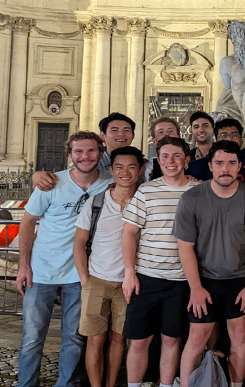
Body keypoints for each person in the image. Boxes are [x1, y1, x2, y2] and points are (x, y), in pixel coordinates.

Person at [16, 132, 112, 387]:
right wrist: (23, 265)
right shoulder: (50, 183)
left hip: (81, 274)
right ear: (69, 155)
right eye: (78, 152)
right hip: (42, 271)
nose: (85, 156)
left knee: (74, 336)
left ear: (100, 153)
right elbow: (27, 223)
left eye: (91, 151)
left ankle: (66, 384)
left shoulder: (109, 184)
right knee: (32, 337)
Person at [173, 141, 245, 387]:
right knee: (197, 337)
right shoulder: (192, 198)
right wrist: (195, 288)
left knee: (240, 336)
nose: (225, 169)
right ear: (210, 166)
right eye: (219, 163)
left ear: (239, 166)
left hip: (240, 279)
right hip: (204, 279)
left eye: (231, 163)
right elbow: (185, 247)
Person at [121, 136, 200, 387]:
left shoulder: (199, 191)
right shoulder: (147, 190)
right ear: (158, 160)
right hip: (147, 277)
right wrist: (129, 273)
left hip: (180, 281)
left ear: (187, 160)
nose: (170, 161)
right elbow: (129, 233)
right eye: (165, 156)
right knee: (139, 340)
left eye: (176, 156)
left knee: (172, 339)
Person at [72, 146, 144, 387]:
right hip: (97, 280)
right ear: (111, 170)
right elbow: (79, 243)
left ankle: (111, 384)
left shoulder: (145, 202)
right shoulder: (96, 202)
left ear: (140, 170)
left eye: (131, 166)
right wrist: (85, 279)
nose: (125, 172)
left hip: (130, 283)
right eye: (119, 167)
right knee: (95, 339)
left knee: (118, 339)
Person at [31, 112, 135, 190]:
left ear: (133, 136)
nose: (121, 134)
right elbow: (70, 177)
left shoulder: (141, 163)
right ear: (102, 135)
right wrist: (37, 176)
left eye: (126, 130)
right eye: (114, 130)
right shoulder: (90, 161)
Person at [187, 118, 245, 189]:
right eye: (223, 135)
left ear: (241, 141)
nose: (229, 139)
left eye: (234, 135)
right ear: (215, 141)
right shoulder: (199, 166)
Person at [144, 117, 182, 181]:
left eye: (170, 131)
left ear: (179, 137)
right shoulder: (146, 168)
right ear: (154, 140)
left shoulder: (190, 165)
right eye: (161, 132)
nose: (166, 134)